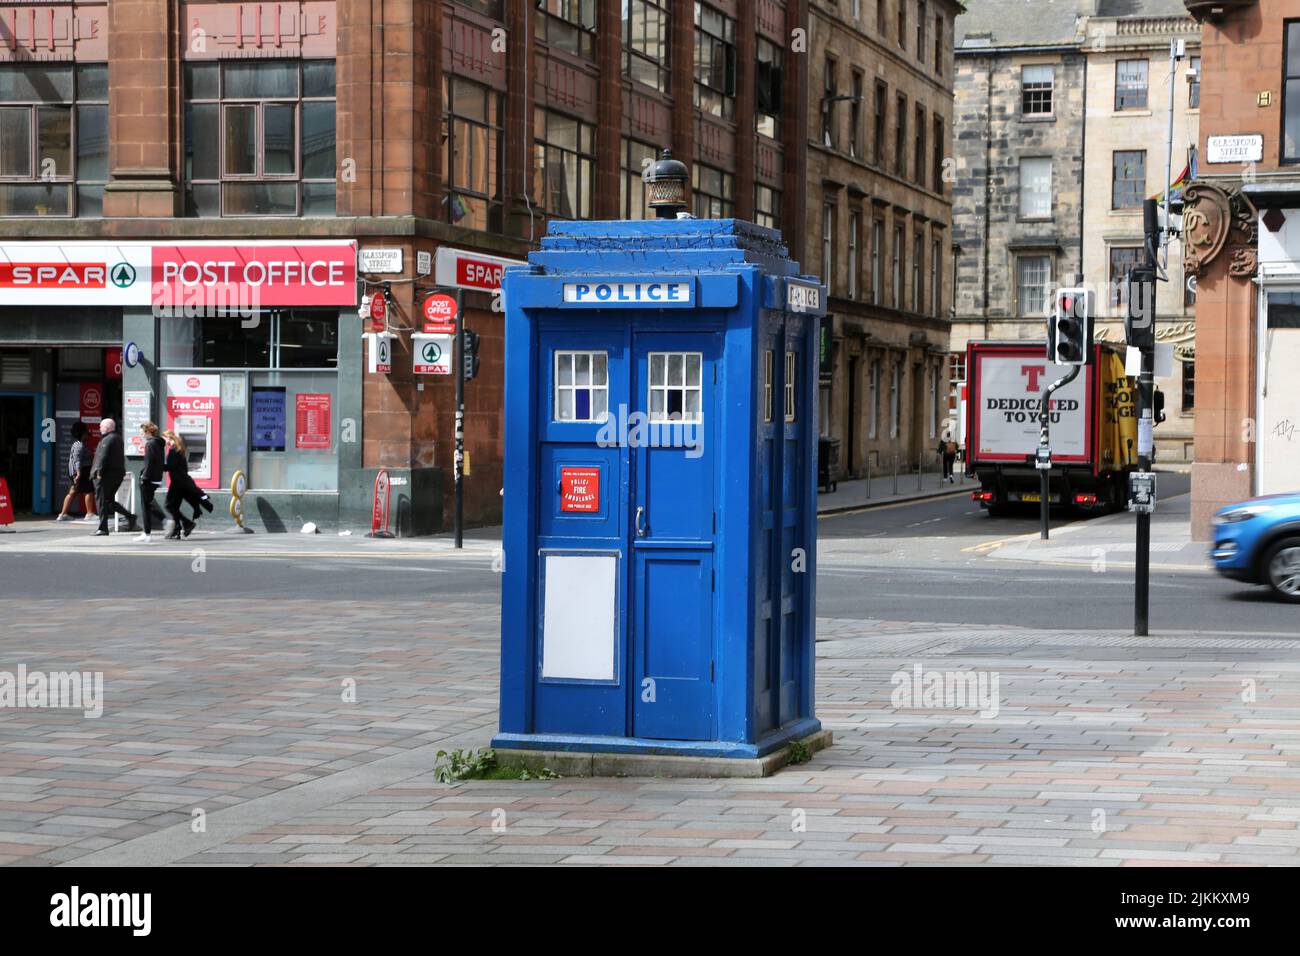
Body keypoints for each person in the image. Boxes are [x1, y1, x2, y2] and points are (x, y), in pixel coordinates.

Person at [90, 418, 136, 536]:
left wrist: (99, 472)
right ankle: (130, 516)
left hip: (105, 476)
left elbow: (103, 456)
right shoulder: (118, 438)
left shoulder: (107, 439)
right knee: (108, 501)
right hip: (117, 474)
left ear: (107, 427)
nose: (100, 428)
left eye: (101, 426)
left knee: (101, 501)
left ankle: (103, 528)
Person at [57, 421, 97, 522]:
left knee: (73, 492)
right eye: (87, 433)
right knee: (89, 490)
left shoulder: (78, 444)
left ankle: (63, 514)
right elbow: (77, 459)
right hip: (82, 472)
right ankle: (89, 513)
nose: (88, 435)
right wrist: (78, 473)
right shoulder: (79, 445)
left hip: (77, 472)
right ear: (82, 434)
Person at [135, 422, 167, 543]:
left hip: (149, 479)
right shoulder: (158, 443)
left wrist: (144, 477)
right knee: (148, 505)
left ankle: (147, 534)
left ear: (148, 431)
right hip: (156, 478)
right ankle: (159, 523)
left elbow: (149, 462)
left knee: (145, 506)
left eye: (142, 431)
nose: (141, 433)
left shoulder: (150, 444)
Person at [161, 430, 196, 540]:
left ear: (168, 438)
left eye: (165, 439)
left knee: (169, 505)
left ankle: (187, 523)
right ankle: (177, 531)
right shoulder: (179, 449)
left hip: (177, 482)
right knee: (174, 507)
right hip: (182, 481)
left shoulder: (173, 450)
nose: (164, 441)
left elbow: (171, 467)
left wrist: (158, 466)